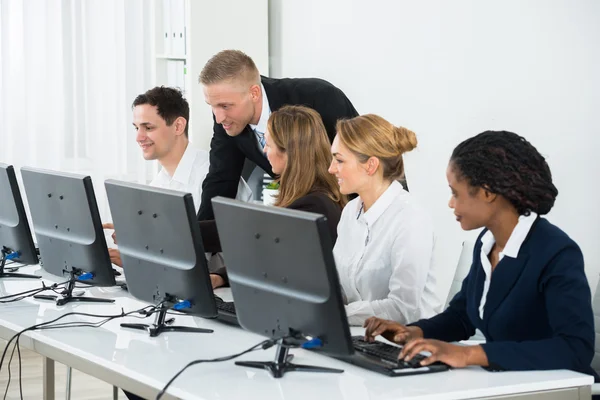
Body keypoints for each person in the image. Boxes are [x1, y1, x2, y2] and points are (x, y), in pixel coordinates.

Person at [363, 131, 598, 380]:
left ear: (487, 193)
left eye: (455, 193)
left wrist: (469, 355)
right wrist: (414, 332)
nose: (451, 204)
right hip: (508, 384)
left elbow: (575, 348)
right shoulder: (487, 243)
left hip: (561, 390)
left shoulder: (556, 253)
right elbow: (463, 315)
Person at [103, 86, 250, 289]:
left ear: (178, 126)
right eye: (137, 128)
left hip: (223, 292)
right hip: (178, 288)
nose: (139, 137)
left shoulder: (216, 177)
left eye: (148, 127)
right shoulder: (157, 186)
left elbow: (228, 247)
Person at [197, 49, 358, 221]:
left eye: (225, 106)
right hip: (298, 211)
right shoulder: (227, 117)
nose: (219, 117)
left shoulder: (319, 97)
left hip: (344, 212)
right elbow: (221, 179)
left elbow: (360, 162)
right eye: (211, 106)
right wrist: (196, 237)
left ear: (254, 93)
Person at [201, 105, 347, 287]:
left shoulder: (313, 206)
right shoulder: (313, 197)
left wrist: (186, 229)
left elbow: (261, 248)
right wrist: (220, 277)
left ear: (289, 152)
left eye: (268, 144)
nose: (264, 151)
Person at [329, 114, 440, 326]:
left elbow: (402, 309)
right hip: (362, 336)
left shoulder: (410, 219)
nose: (331, 168)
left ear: (370, 166)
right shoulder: (351, 211)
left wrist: (338, 314)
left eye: (339, 160)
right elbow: (338, 287)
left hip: (408, 341)